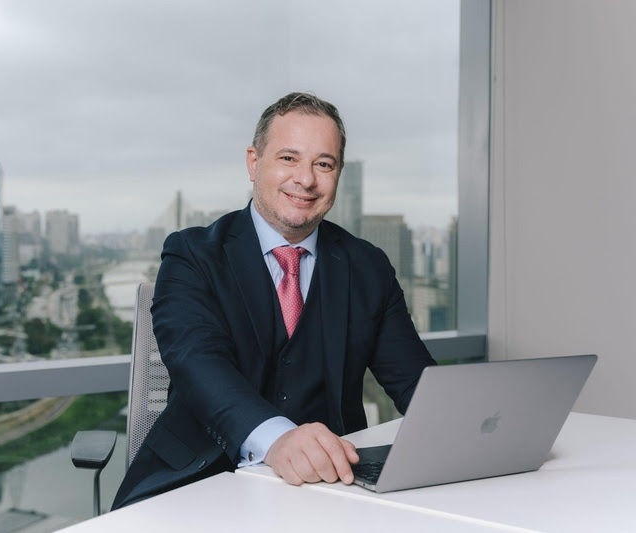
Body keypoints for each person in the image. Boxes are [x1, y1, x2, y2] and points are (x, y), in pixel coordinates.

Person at [112, 92, 436, 509]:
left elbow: (415, 383)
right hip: (197, 483)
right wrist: (277, 439)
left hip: (330, 486)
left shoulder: (368, 267)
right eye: (288, 158)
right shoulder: (192, 255)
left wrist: (474, 428)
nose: (306, 179)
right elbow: (198, 363)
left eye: (324, 164)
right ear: (254, 162)